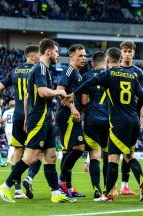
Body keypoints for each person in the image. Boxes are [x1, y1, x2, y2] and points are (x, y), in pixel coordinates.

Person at [63, 47, 143, 202]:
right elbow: (142, 95)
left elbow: (89, 83)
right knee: (129, 155)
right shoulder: (131, 74)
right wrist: (136, 112)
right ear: (121, 59)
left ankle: (107, 193)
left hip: (117, 122)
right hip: (133, 121)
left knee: (112, 158)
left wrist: (73, 94)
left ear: (108, 60)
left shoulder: (108, 74)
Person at [0, 38, 71, 203]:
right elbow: (43, 92)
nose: (58, 55)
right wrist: (59, 93)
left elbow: (27, 96)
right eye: (57, 52)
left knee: (51, 156)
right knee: (31, 157)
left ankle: (56, 194)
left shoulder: (44, 69)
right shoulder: (40, 69)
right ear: (48, 52)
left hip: (45, 119)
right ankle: (5, 186)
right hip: (38, 119)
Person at [0, 45, 41, 199]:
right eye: (39, 55)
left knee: (17, 154)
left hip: (17, 116)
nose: (40, 58)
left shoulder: (14, 72)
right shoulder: (37, 70)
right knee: (39, 154)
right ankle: (29, 178)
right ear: (33, 57)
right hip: (33, 116)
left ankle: (17, 190)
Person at [55, 44, 87, 198]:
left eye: (84, 56)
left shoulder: (78, 73)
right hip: (67, 115)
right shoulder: (68, 71)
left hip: (72, 116)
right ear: (72, 57)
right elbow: (60, 91)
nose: (83, 58)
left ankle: (68, 187)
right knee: (79, 148)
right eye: (80, 56)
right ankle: (61, 183)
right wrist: (73, 109)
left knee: (68, 151)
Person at [118, 40, 143, 196]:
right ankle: (112, 187)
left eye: (130, 51)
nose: (127, 53)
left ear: (134, 53)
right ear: (121, 52)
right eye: (125, 51)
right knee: (113, 153)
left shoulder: (139, 72)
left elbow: (141, 95)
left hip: (131, 116)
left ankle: (124, 185)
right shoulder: (115, 70)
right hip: (116, 117)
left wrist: (142, 113)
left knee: (128, 152)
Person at [80, 51, 109, 198]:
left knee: (94, 156)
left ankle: (97, 189)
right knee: (109, 156)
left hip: (92, 119)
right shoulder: (111, 75)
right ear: (106, 61)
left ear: (92, 63)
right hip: (109, 120)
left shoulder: (87, 76)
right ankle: (108, 189)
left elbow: (84, 101)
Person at [2, 100, 15, 165]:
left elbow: (3, 121)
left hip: (7, 129)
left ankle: (10, 159)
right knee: (14, 145)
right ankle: (9, 159)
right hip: (15, 129)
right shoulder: (17, 111)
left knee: (11, 144)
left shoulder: (6, 112)